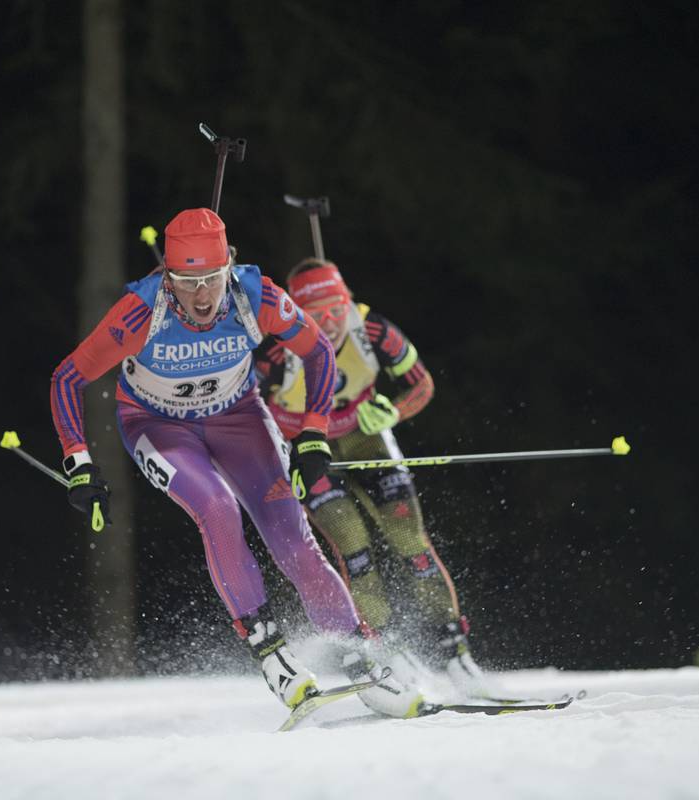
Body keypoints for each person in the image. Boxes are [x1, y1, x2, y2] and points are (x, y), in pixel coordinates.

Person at [50, 208, 424, 717]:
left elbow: (318, 352)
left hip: (239, 419)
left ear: (231, 267)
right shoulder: (140, 311)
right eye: (186, 282)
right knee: (217, 509)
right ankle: (272, 652)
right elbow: (67, 378)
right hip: (158, 427)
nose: (202, 297)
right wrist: (79, 462)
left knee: (294, 538)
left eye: (212, 279)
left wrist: (313, 436)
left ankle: (361, 660)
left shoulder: (257, 296)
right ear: (167, 276)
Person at [256, 258, 489, 695]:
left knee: (410, 542)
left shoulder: (373, 330)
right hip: (314, 449)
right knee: (354, 545)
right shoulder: (278, 350)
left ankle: (455, 651)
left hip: (367, 439)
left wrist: (394, 410)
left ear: (348, 302)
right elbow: (249, 411)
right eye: (316, 314)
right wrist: (289, 440)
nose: (329, 323)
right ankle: (382, 648)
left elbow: (421, 383)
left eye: (336, 309)